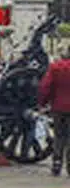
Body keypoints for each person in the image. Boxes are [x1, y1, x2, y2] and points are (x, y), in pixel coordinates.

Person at [38, 47, 70, 176]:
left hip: (58, 107)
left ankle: (57, 162)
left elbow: (46, 86)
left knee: (59, 136)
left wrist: (42, 103)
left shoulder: (55, 67)